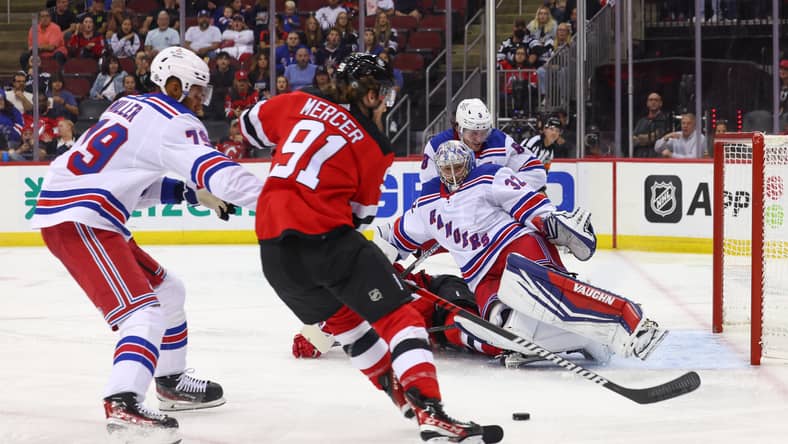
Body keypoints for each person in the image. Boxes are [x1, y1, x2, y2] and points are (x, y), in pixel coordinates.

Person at [238, 53, 502, 443]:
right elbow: (359, 220)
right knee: (402, 318)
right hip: (326, 240)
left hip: (274, 254)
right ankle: (431, 411)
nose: (388, 100)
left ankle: (403, 398)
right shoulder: (374, 145)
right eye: (385, 92)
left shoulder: (298, 101)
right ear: (372, 93)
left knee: (352, 331)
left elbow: (248, 127)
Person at [29, 46, 264, 440]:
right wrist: (279, 199)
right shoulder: (175, 121)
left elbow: (129, 180)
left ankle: (169, 381)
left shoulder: (127, 107)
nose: (199, 100)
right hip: (82, 219)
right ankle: (122, 401)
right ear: (174, 85)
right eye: (195, 90)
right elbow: (217, 172)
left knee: (168, 290)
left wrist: (191, 195)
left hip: (86, 212)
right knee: (144, 314)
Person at [377, 140, 668, 364]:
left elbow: (526, 201)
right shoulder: (426, 205)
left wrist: (549, 219)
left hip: (515, 247)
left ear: (470, 162)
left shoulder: (488, 175)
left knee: (543, 294)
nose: (453, 174)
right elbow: (395, 236)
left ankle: (631, 322)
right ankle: (582, 337)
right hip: (482, 277)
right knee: (504, 329)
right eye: (447, 169)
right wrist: (371, 257)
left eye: (459, 167)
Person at [421, 98, 546, 191]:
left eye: (484, 132)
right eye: (473, 133)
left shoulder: (501, 142)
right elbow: (429, 188)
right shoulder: (437, 146)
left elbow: (537, 173)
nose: (479, 139)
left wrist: (501, 188)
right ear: (459, 128)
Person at [632, 92, 671, 158]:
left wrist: (640, 138)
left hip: (657, 158)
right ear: (647, 103)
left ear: (660, 103)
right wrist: (648, 138)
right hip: (640, 158)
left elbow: (657, 138)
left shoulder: (666, 120)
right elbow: (633, 139)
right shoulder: (641, 121)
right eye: (651, 100)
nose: (653, 102)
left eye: (656, 100)